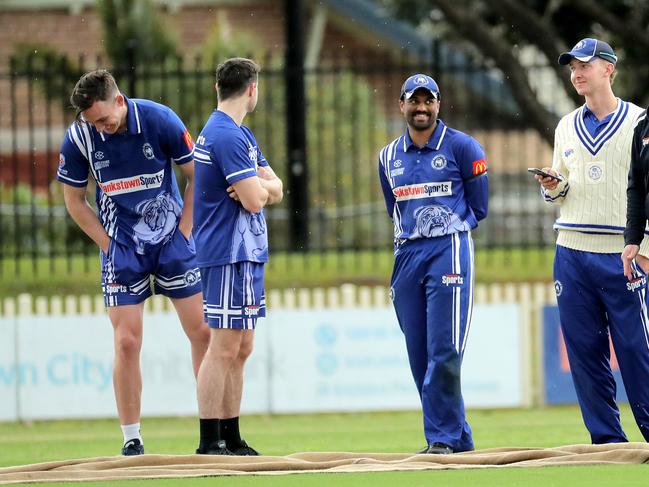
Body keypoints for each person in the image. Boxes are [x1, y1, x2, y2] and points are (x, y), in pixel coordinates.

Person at [57, 69, 210, 455]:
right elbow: (75, 202)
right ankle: (132, 439)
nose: (102, 128)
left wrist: (185, 232)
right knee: (126, 341)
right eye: (93, 123)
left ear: (119, 100)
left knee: (203, 333)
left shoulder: (160, 120)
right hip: (122, 248)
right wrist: (109, 246)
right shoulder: (80, 137)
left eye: (105, 119)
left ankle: (213, 431)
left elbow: (197, 178)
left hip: (172, 243)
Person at [536, 38, 649, 443]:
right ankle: (607, 442)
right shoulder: (565, 125)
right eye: (572, 67)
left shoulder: (639, 121)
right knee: (584, 353)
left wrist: (644, 247)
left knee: (638, 352)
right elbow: (560, 189)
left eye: (585, 64)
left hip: (623, 254)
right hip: (571, 251)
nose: (577, 72)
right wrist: (553, 186)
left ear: (609, 70)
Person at [378, 73, 489, 454]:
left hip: (449, 249)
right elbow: (394, 209)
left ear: (438, 105)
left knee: (445, 349)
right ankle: (459, 439)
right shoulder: (387, 156)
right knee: (419, 354)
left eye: (428, 101)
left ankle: (441, 439)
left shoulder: (463, 147)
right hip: (407, 254)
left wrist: (447, 228)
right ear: (402, 105)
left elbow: (479, 207)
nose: (421, 108)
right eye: (414, 101)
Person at [192, 58, 283, 456]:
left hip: (247, 253)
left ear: (218, 88)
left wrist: (262, 188)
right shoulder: (226, 136)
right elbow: (255, 197)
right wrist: (260, 190)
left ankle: (231, 434)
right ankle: (209, 440)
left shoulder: (241, 135)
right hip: (228, 253)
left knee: (242, 348)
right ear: (252, 90)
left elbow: (275, 188)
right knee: (223, 346)